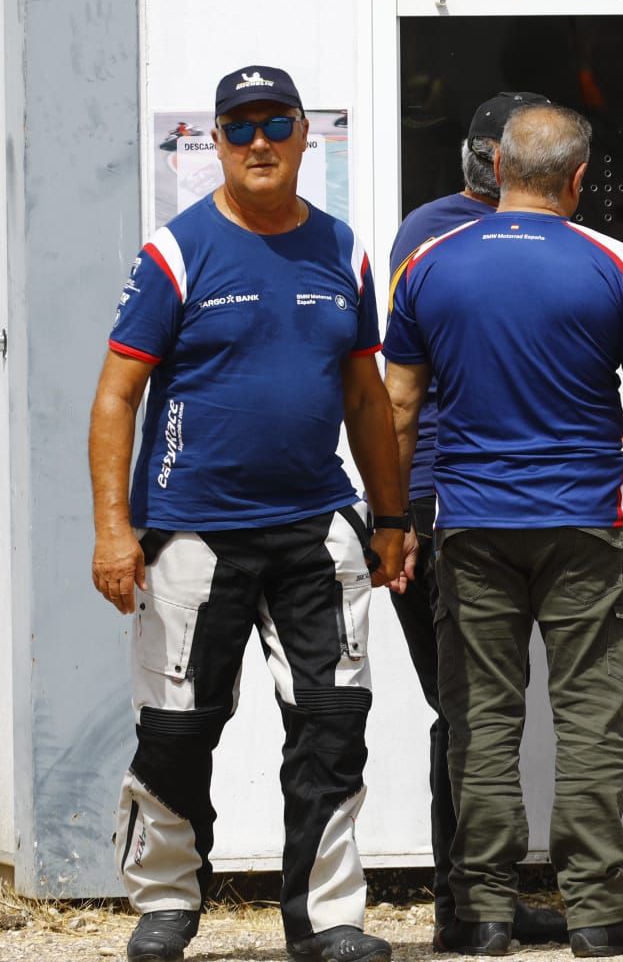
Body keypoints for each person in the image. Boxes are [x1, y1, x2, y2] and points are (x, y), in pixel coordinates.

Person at [89, 65, 411, 962]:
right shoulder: (177, 251)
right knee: (178, 729)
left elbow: (364, 393)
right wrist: (116, 528)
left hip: (316, 528)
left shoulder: (344, 249)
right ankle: (164, 904)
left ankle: (328, 921)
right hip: (192, 531)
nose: (259, 142)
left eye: (277, 124)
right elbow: (117, 396)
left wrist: (389, 518)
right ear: (218, 143)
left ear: (307, 135)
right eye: (240, 128)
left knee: (332, 723)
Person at [383, 104, 623, 958]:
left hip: (470, 523)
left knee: (480, 718)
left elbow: (398, 405)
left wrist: (396, 520)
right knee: (590, 720)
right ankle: (596, 916)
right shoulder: (614, 263)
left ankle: (481, 914)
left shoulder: (429, 263)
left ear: (497, 167)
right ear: (580, 179)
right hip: (585, 522)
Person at [381, 91, 568, 952]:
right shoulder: (446, 235)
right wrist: (405, 511)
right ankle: (467, 903)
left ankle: (473, 899)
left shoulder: (443, 231)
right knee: (467, 710)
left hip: (458, 504)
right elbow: (405, 397)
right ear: (500, 163)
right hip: (445, 505)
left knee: (472, 709)